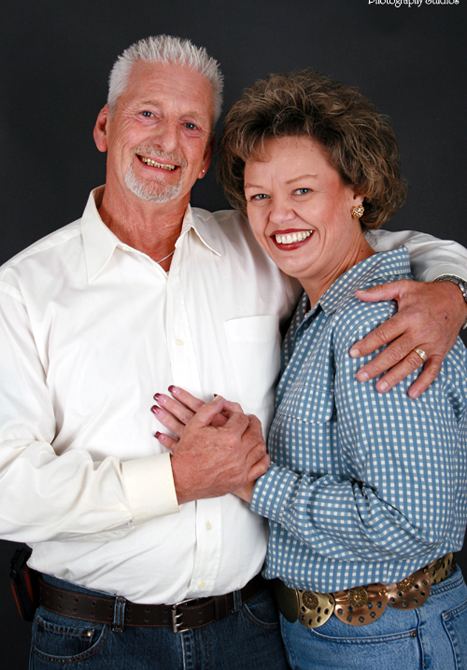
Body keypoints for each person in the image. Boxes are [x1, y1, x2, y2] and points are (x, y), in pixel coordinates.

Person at [0, 36, 466, 669]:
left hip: (253, 628)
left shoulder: (262, 245)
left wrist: (451, 292)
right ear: (105, 127)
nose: (167, 140)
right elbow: (7, 489)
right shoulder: (22, 291)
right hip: (98, 640)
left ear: (205, 156)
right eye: (147, 114)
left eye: (190, 124)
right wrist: (175, 480)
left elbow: (371, 244)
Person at [154, 69, 467, 670]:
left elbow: (411, 520)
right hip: (343, 637)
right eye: (259, 196)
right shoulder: (319, 307)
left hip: (386, 639)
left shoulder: (372, 322)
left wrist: (249, 480)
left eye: (302, 191)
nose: (277, 216)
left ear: (356, 192)